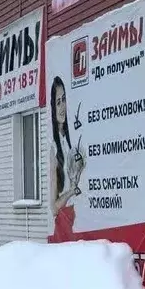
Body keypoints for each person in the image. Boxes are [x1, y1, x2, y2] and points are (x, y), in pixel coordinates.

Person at [50, 76, 85, 218]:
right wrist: (71, 191)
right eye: (58, 102)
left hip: (76, 219)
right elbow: (53, 208)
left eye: (64, 99)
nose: (63, 106)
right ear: (53, 108)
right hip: (64, 226)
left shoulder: (70, 140)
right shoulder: (54, 150)